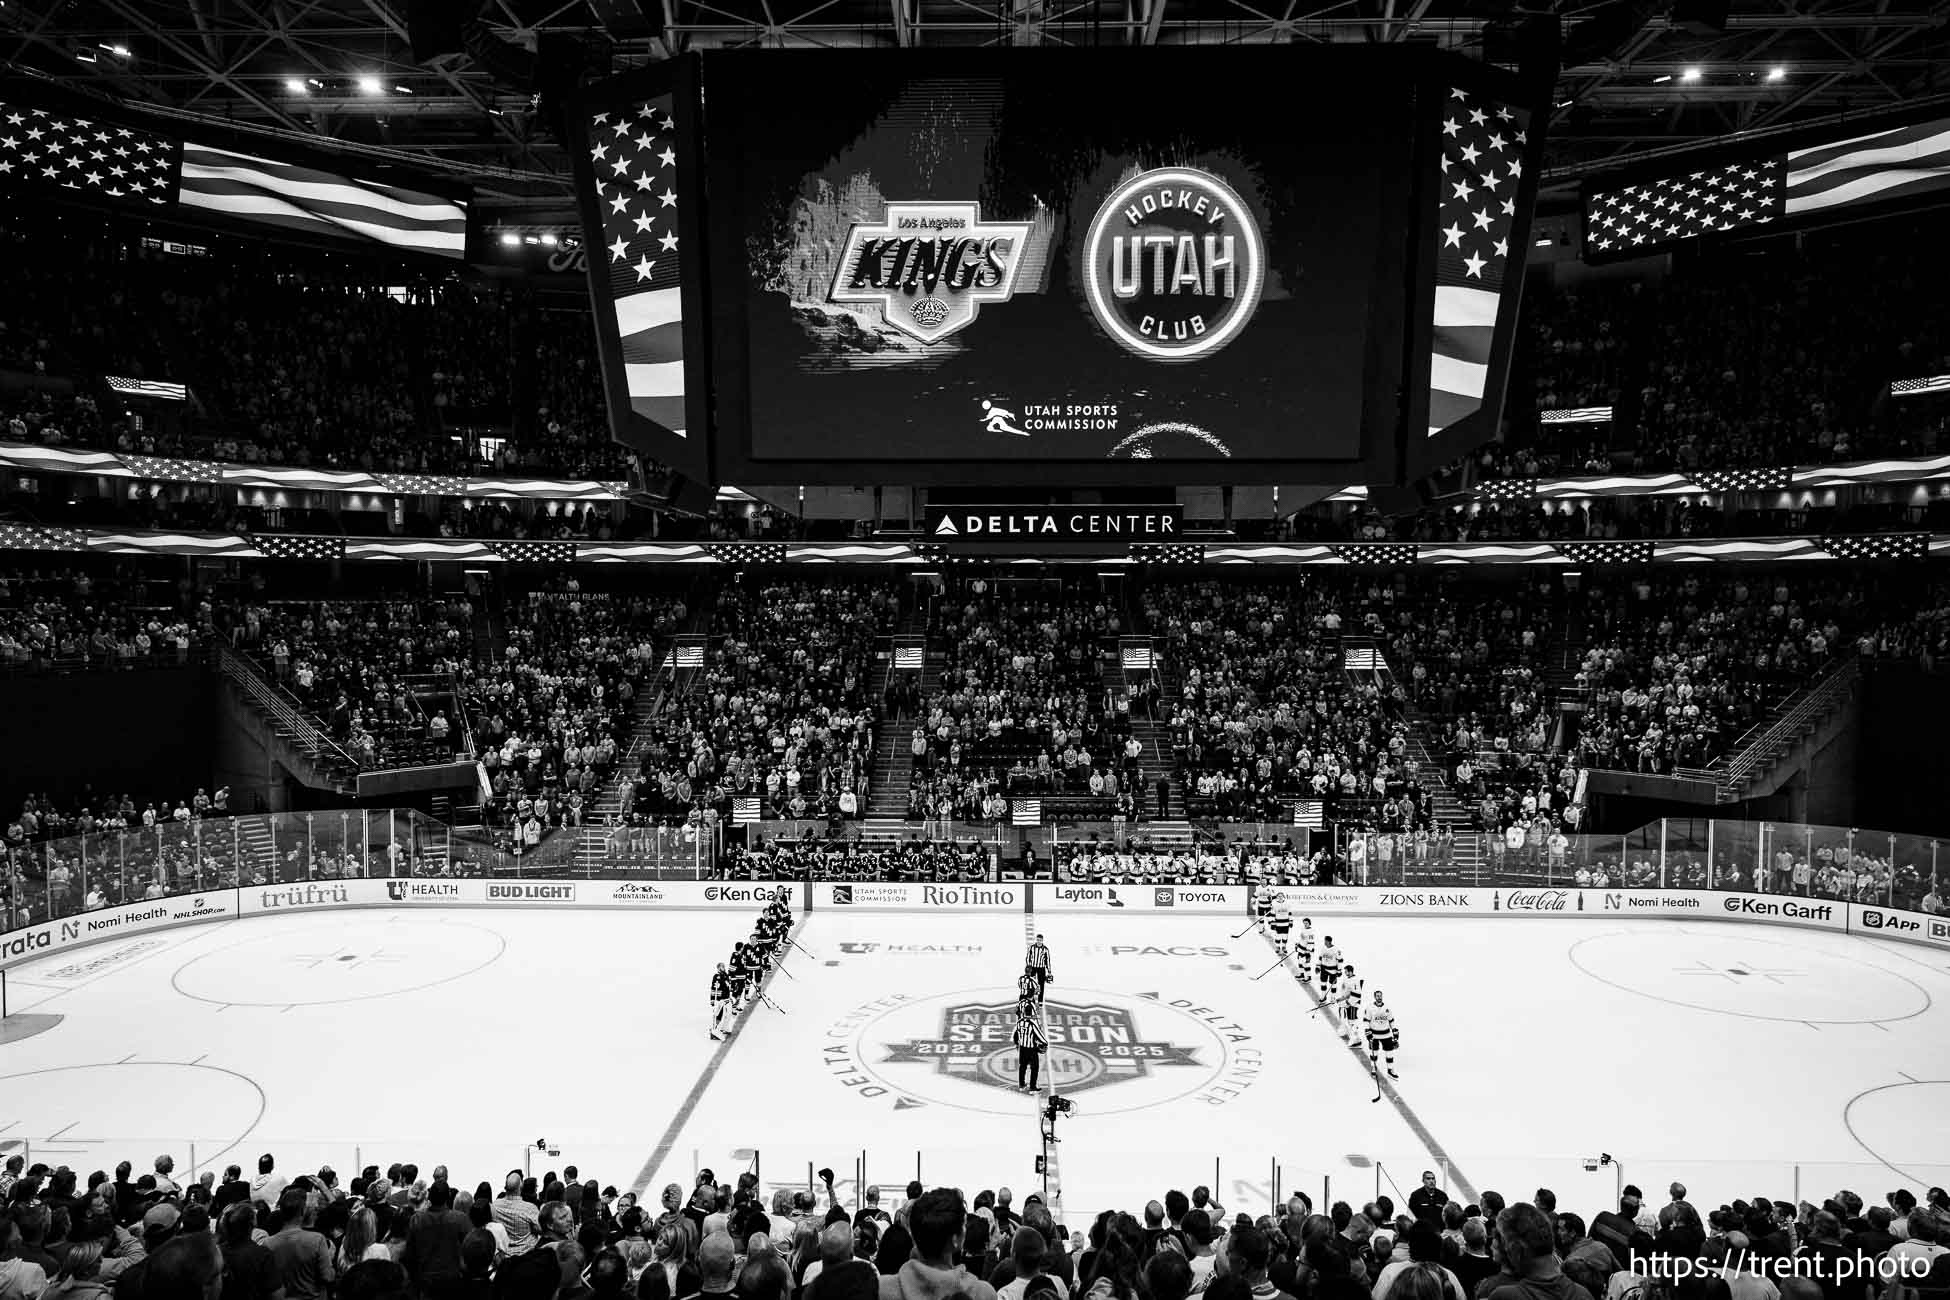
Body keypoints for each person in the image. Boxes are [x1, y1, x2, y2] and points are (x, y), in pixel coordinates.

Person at [878, 1190, 997, 1300]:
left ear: (913, 1234)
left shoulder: (880, 1289)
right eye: (963, 1225)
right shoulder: (983, 1294)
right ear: (955, 1240)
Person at [1364, 991, 1399, 1081]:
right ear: (1374, 997)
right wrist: (1367, 1031)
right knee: (1374, 1053)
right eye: (1377, 996)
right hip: (1374, 1035)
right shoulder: (1370, 1008)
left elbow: (1391, 1020)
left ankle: (1390, 1070)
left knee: (1389, 1052)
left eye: (1380, 996)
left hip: (1386, 1034)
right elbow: (1366, 1020)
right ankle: (1374, 1068)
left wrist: (1394, 1030)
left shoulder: (1387, 1007)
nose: (1379, 997)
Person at [1013, 1013, 1049, 1093]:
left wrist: (1016, 1043)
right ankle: (1032, 1087)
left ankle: (1021, 1085)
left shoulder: (1019, 1022)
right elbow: (1040, 1036)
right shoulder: (1032, 1024)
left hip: (1022, 1049)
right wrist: (1045, 1043)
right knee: (1034, 1068)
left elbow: (1016, 1034)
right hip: (1031, 1050)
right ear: (1031, 1014)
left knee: (1022, 1066)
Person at [710, 964, 735, 1042]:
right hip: (720, 999)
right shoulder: (716, 977)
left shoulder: (725, 975)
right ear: (718, 968)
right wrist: (712, 1000)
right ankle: (714, 1030)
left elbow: (728, 987)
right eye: (721, 967)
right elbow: (714, 988)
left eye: (723, 966)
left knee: (729, 1013)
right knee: (718, 1014)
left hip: (727, 998)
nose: (723, 968)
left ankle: (725, 1027)